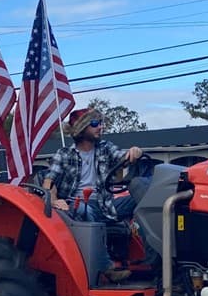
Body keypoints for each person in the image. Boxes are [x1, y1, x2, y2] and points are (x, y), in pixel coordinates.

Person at [42, 108, 143, 284]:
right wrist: (54, 200)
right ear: (81, 129)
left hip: (106, 205)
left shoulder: (105, 148)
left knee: (142, 196)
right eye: (95, 124)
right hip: (75, 204)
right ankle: (107, 268)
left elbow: (121, 157)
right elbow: (49, 182)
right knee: (86, 210)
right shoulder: (64, 154)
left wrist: (133, 152)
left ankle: (153, 261)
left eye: (101, 123)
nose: (100, 127)